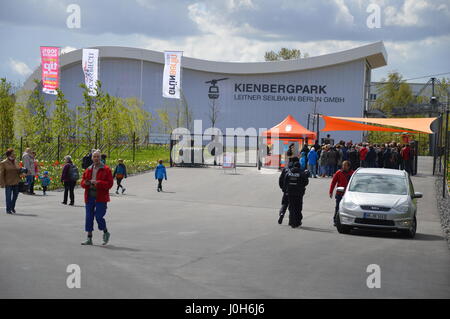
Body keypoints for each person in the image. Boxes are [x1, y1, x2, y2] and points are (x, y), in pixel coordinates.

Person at [80, 150, 113, 246]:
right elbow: (82, 182)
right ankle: (89, 238)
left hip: (101, 197)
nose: (96, 158)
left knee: (98, 216)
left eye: (98, 157)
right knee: (89, 217)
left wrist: (98, 183)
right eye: (94, 157)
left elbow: (109, 184)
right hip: (89, 196)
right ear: (92, 158)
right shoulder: (88, 169)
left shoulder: (106, 169)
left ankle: (105, 232)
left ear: (100, 158)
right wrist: (85, 183)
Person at [284, 161, 309, 228]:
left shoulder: (288, 173)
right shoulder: (301, 173)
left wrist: (285, 190)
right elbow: (306, 182)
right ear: (299, 166)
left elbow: (285, 182)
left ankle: (292, 222)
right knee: (298, 207)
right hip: (299, 193)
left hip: (290, 193)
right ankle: (297, 221)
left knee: (291, 207)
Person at [329, 160, 354, 226]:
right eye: (343, 165)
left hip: (349, 195)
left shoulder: (352, 173)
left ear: (349, 166)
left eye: (345, 165)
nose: (343, 167)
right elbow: (333, 182)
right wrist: (331, 192)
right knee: (338, 207)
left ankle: (348, 220)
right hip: (339, 193)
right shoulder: (338, 172)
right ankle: (336, 220)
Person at [0, 149, 23, 214]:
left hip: (16, 181)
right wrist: (2, 183)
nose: (14, 154)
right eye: (13, 153)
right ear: (9, 154)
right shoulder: (3, 163)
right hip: (8, 182)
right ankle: (8, 209)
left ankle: (12, 207)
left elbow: (18, 170)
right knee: (8, 196)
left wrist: (22, 172)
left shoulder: (15, 161)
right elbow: (1, 174)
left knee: (15, 195)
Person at [278, 156, 299, 224]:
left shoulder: (286, 169)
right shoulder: (296, 169)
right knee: (292, 205)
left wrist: (282, 188)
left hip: (286, 189)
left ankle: (281, 214)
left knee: (284, 204)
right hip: (294, 190)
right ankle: (291, 220)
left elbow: (281, 179)